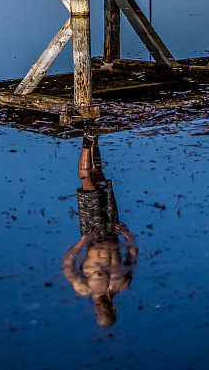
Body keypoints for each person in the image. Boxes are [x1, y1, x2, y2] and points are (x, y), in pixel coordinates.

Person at [61, 134, 138, 327]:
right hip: (113, 230)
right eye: (101, 312)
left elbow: (67, 265)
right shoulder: (123, 284)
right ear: (113, 309)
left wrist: (83, 241)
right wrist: (129, 237)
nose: (96, 309)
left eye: (96, 313)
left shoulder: (84, 288)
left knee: (87, 181)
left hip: (93, 234)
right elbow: (132, 257)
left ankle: (86, 140)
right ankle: (95, 137)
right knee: (100, 177)